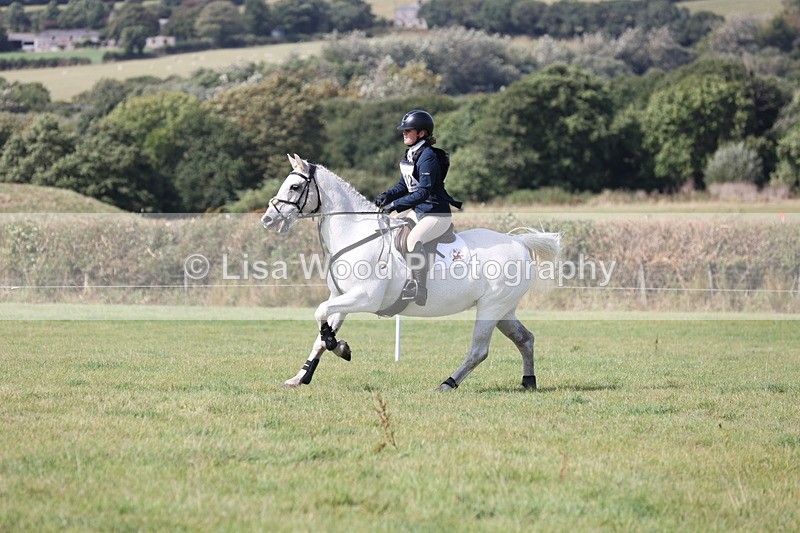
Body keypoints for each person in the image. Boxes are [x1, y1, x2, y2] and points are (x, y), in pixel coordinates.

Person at [374, 109, 462, 305]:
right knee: (393, 232)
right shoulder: (412, 153)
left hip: (436, 213)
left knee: (414, 239)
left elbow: (423, 192)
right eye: (404, 130)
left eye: (408, 130)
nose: (404, 133)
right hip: (420, 211)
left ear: (421, 133)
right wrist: (387, 195)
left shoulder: (428, 156)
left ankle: (419, 288)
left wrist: (395, 205)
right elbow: (403, 185)